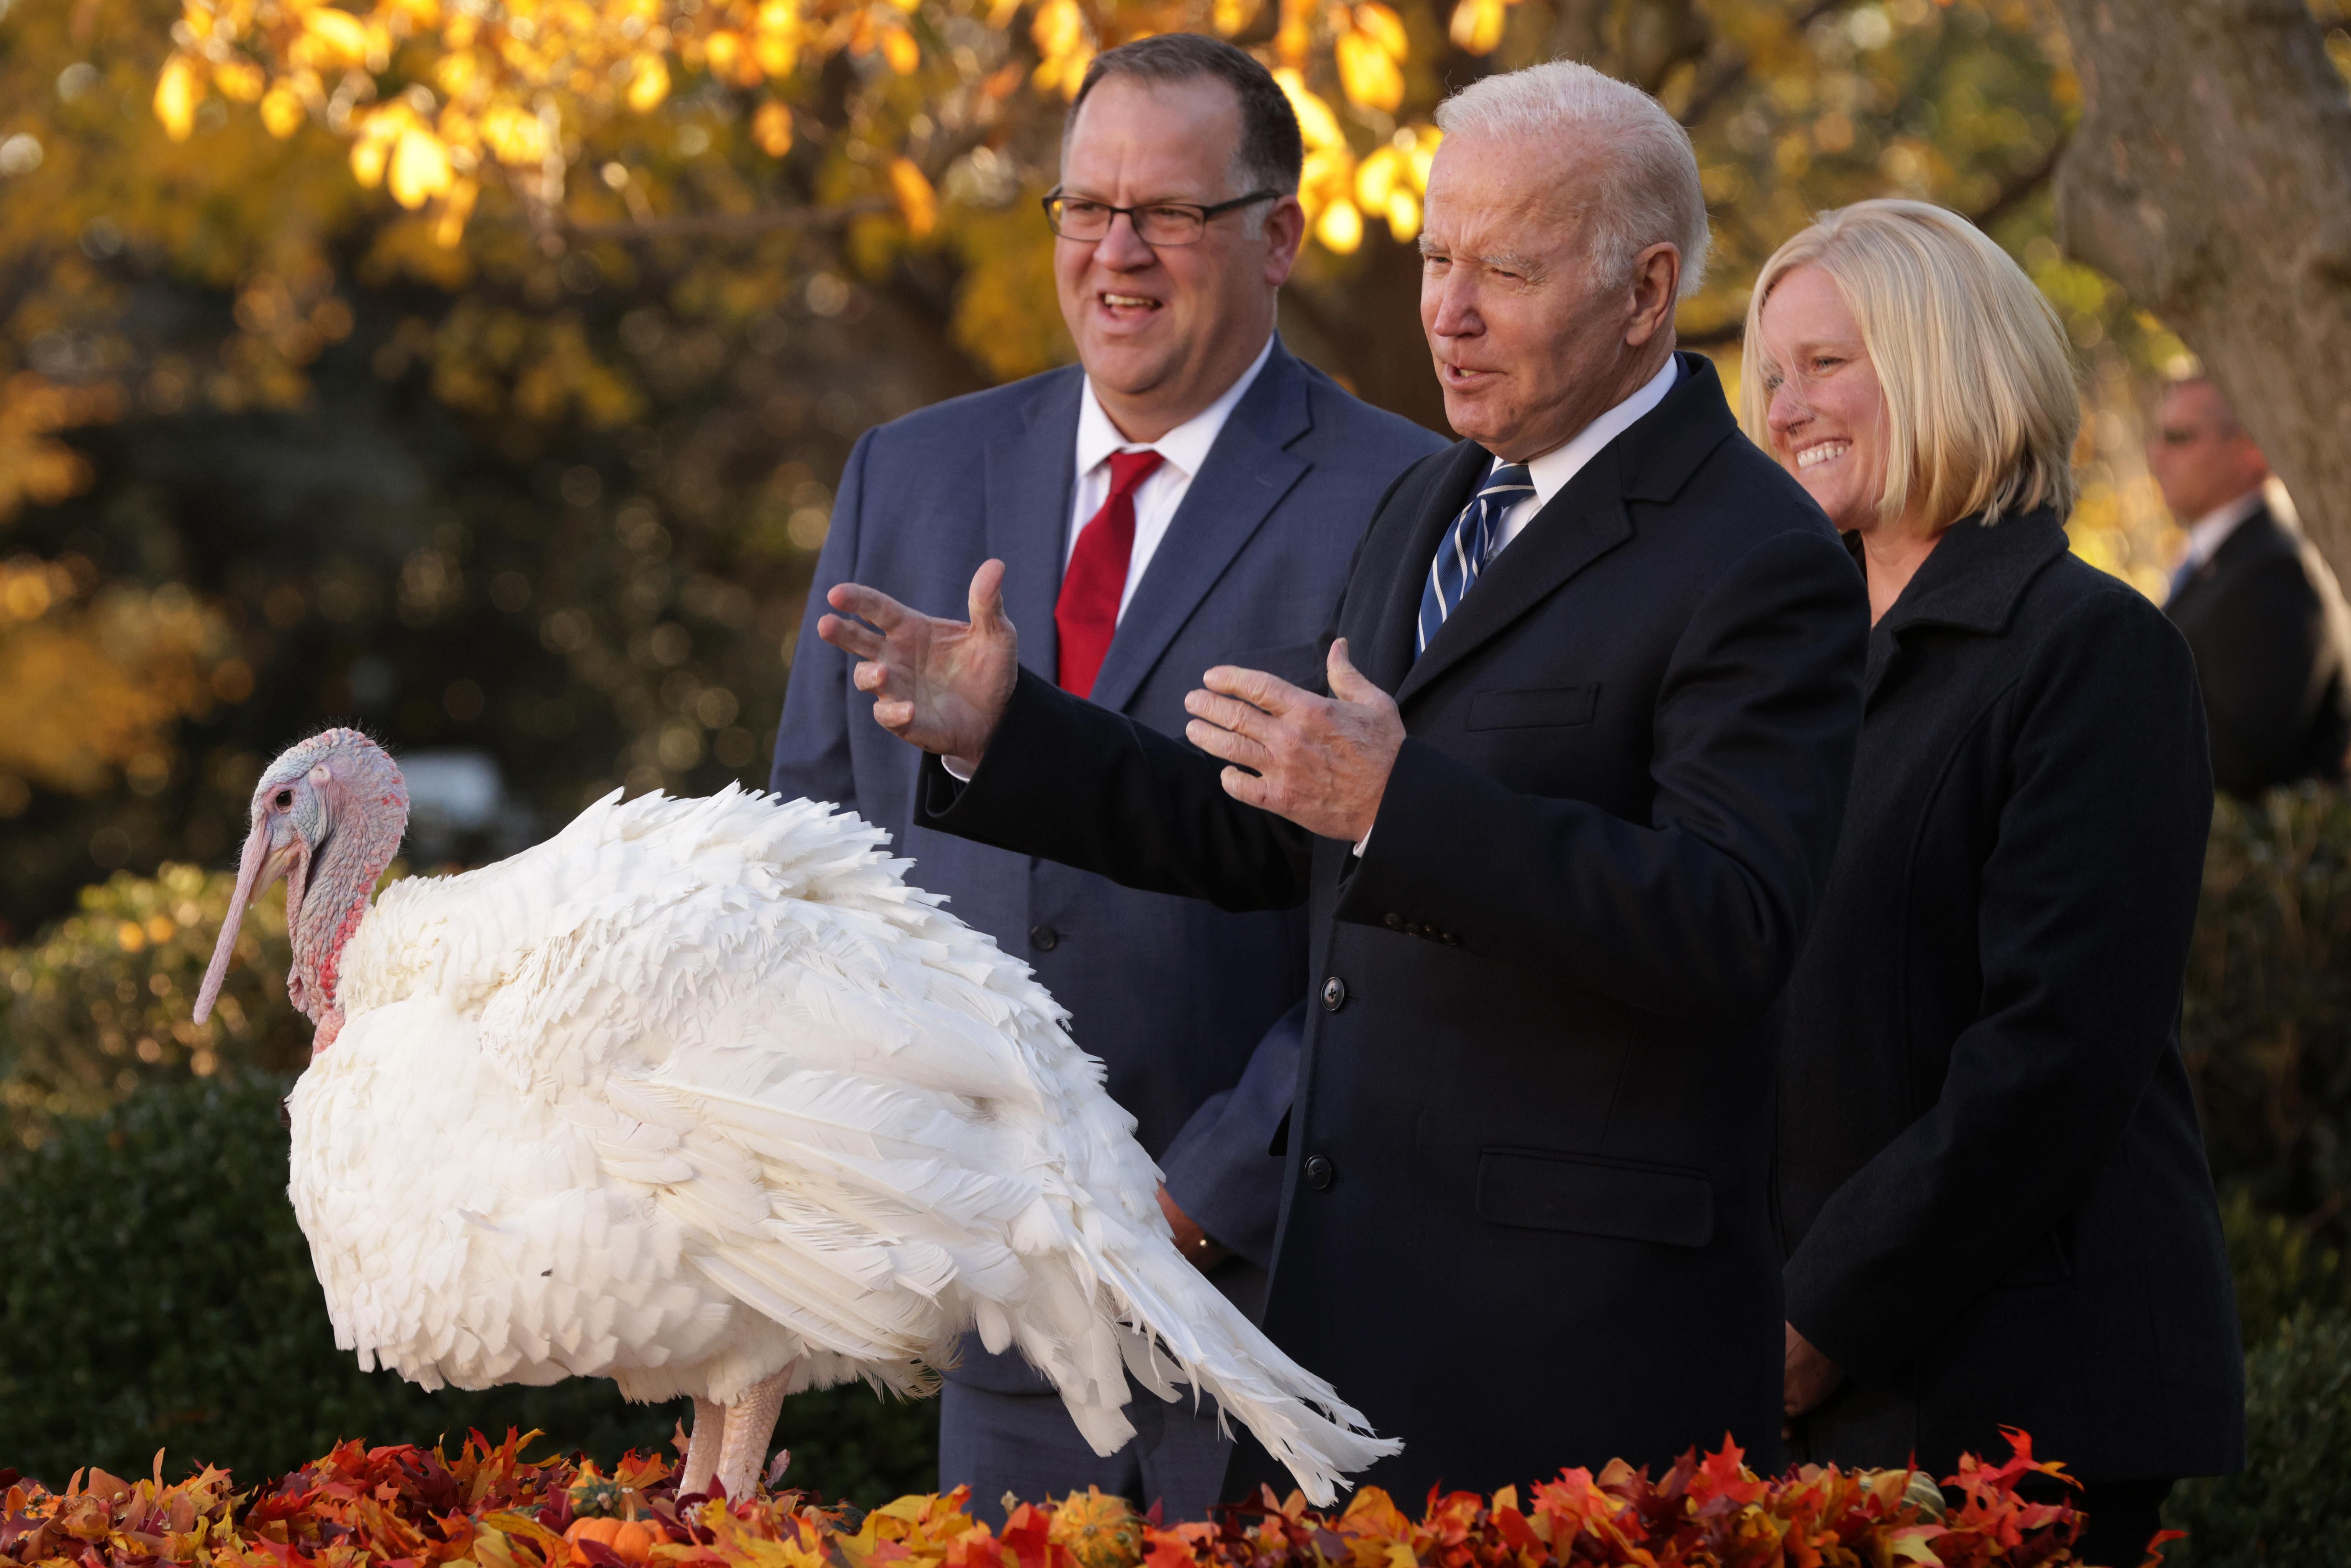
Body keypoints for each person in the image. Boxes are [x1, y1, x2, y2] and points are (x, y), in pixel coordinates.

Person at [815, 59, 1871, 1499]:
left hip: (1568, 1360)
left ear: (1643, 294)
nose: (1445, 308)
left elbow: (1732, 925)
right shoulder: (1444, 500)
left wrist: (1395, 806)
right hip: (1345, 1329)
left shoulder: (1756, 553)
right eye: (1436, 257)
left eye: (1501, 268)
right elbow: (1271, 827)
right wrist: (1009, 736)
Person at [768, 32, 1446, 1522]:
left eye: (1169, 215)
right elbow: (811, 856)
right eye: (1084, 208)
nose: (1116, 253)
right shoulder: (909, 472)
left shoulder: (1403, 495)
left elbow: (1405, 918)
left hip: (1274, 1302)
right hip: (1001, 1320)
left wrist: (1210, 1188)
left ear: (1278, 236)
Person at [1743, 199, 2244, 1566]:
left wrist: (1817, 1320)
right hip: (1775, 1375)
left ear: (1940, 360)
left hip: (2004, 1398)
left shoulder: (2089, 651)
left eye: (1826, 363)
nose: (1787, 407)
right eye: (1771, 376)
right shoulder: (1773, 661)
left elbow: (2049, 1055)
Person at [2149, 376, 2351, 797]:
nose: (2156, 456)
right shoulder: (2226, 558)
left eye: (2179, 437)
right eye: (2158, 435)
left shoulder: (2276, 570)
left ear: (2253, 449)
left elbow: (2243, 762)